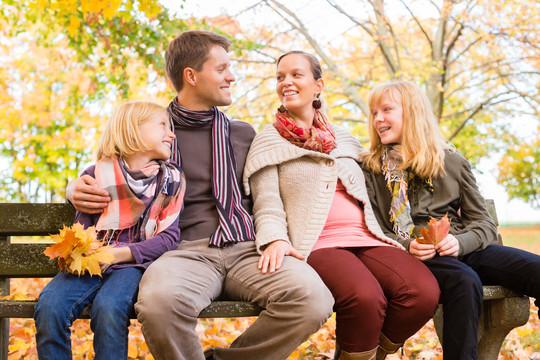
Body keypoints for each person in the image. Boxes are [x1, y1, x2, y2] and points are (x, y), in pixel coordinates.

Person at [65, 31, 334, 360]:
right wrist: (74, 186)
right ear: (191, 76)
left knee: (313, 299)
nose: (231, 76)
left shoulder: (243, 133)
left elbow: (284, 176)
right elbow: (112, 168)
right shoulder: (154, 134)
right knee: (158, 304)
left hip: (248, 249)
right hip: (181, 252)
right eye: (221, 69)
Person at [243, 51, 440, 360]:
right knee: (365, 297)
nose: (286, 82)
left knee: (421, 292)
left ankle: (370, 355)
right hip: (318, 244)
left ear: (318, 85)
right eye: (280, 77)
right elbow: (266, 201)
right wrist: (274, 238)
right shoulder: (268, 141)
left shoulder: (345, 139)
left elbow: (390, 171)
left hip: (369, 238)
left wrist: (439, 157)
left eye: (296, 74)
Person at [361, 80, 540, 360]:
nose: (378, 119)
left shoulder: (452, 162)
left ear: (413, 112)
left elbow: (483, 224)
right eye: (373, 113)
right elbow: (374, 227)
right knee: (464, 281)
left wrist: (459, 242)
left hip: (465, 250)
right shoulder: (371, 168)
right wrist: (407, 245)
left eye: (386, 109)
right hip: (416, 257)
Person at [34, 101, 186, 360]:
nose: (171, 133)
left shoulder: (170, 180)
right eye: (162, 125)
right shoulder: (96, 174)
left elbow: (169, 236)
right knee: (49, 306)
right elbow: (83, 226)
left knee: (109, 308)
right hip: (91, 262)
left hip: (133, 265)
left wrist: (120, 254)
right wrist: (80, 252)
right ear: (132, 130)